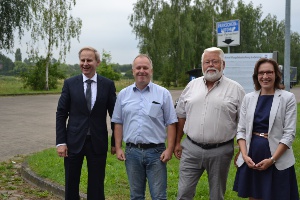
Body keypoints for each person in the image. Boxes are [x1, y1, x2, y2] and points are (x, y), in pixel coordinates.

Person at [174, 47, 245, 199]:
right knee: (183, 193)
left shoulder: (236, 89)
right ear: (202, 65)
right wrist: (177, 142)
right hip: (191, 149)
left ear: (223, 65)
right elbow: (181, 115)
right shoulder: (191, 86)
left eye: (215, 61)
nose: (210, 65)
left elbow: (243, 122)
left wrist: (242, 149)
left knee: (216, 195)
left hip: (221, 151)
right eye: (207, 62)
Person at [112, 54, 178, 199]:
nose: (142, 71)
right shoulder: (123, 95)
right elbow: (118, 122)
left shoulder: (163, 94)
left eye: (145, 68)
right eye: (138, 68)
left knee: (159, 196)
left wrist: (170, 148)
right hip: (132, 152)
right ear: (133, 71)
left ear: (151, 71)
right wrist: (118, 147)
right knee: (136, 196)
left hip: (156, 153)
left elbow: (171, 122)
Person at [233, 58, 299, 200]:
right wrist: (244, 156)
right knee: (254, 196)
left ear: (276, 74)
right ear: (256, 76)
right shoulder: (248, 98)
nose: (265, 76)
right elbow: (241, 131)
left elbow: (289, 134)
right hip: (252, 155)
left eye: (269, 72)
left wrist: (272, 159)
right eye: (261, 73)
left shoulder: (288, 98)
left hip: (277, 158)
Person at [56, 46, 116, 200]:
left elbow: (115, 115)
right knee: (71, 183)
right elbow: (61, 114)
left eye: (89, 60)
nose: (85, 63)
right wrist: (61, 142)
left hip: (98, 142)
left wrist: (115, 142)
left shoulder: (108, 85)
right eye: (82, 60)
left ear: (97, 62)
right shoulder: (70, 84)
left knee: (96, 185)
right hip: (73, 142)